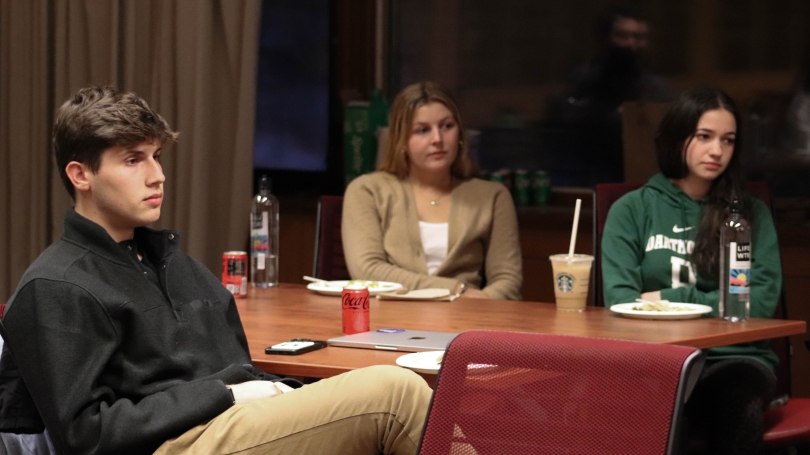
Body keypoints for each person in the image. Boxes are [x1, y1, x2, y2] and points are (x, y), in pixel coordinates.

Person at [0, 86, 432, 455]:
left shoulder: (176, 265)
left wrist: (281, 391)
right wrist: (223, 395)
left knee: (393, 406)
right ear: (81, 175)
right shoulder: (55, 285)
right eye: (133, 160)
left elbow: (241, 369)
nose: (158, 176)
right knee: (394, 392)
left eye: (156, 156)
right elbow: (85, 436)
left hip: (231, 424)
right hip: (171, 443)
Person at [601, 87, 782, 455]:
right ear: (676, 137)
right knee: (653, 403)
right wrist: (717, 303)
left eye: (727, 140)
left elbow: (756, 301)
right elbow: (620, 303)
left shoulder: (747, 215)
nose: (717, 151)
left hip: (734, 359)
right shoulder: (632, 210)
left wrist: (669, 299)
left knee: (737, 400)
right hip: (657, 360)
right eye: (704, 137)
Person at [342, 81, 522, 300]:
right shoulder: (366, 191)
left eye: (447, 126)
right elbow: (367, 270)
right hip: (389, 322)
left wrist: (477, 307)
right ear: (402, 140)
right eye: (422, 130)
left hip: (466, 320)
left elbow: (508, 281)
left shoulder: (493, 196)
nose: (437, 139)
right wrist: (457, 291)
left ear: (461, 134)